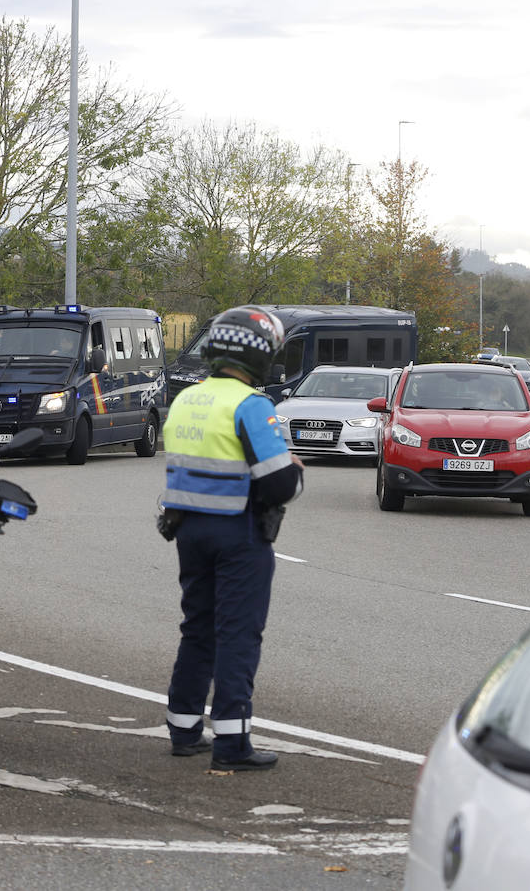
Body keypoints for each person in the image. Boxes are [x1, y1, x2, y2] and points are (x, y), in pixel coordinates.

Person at [158, 305, 304, 772]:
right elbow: (279, 484)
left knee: (197, 629)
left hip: (189, 530)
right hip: (238, 533)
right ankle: (232, 743)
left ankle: (183, 729)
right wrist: (296, 471)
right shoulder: (252, 405)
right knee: (238, 634)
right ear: (260, 355)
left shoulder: (187, 400)